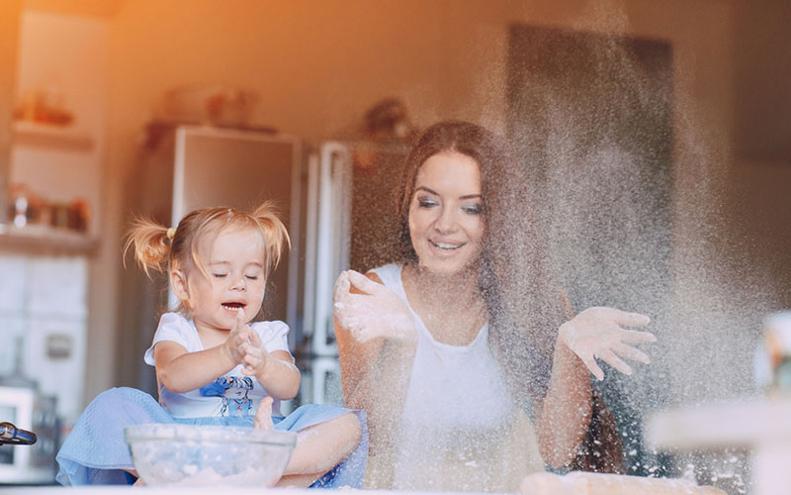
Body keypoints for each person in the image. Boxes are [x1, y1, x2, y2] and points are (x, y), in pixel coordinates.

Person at [333, 121, 656, 491]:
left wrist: (570, 352)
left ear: (496, 219)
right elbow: (371, 440)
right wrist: (405, 343)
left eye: (471, 209)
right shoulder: (370, 294)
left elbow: (559, 450)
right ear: (407, 203)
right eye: (428, 202)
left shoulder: (526, 302)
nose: (444, 225)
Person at [57, 203, 365, 487]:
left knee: (347, 425)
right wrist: (226, 353)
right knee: (112, 406)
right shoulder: (177, 329)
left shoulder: (268, 334)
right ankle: (214, 480)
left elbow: (289, 385)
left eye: (253, 275)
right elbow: (173, 376)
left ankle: (258, 472)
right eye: (220, 273)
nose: (239, 283)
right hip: (185, 449)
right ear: (182, 284)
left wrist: (267, 366)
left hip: (258, 443)